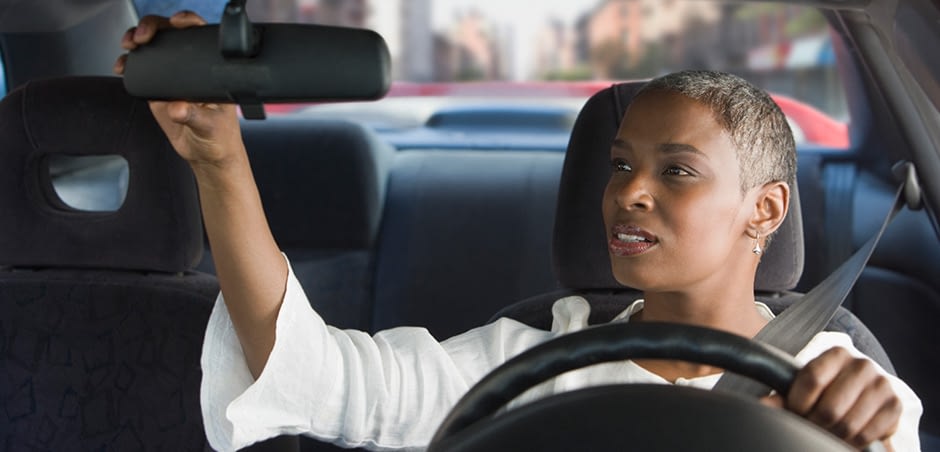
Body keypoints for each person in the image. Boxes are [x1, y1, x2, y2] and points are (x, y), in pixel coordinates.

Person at [115, 12, 922, 452]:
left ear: (766, 211)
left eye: (676, 171)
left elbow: (883, 428)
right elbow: (313, 372)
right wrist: (218, 161)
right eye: (617, 166)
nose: (628, 193)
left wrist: (870, 436)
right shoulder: (530, 358)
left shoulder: (838, 381)